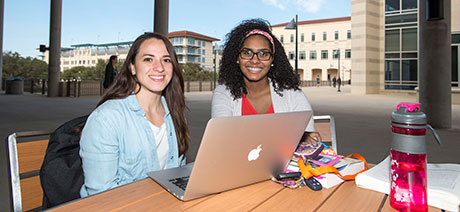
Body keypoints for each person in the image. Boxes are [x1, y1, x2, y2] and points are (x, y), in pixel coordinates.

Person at [79, 32, 190, 197]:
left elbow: (176, 174)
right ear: (132, 67)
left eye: (166, 60)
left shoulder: (174, 112)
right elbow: (102, 196)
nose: (159, 67)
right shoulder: (106, 119)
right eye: (148, 59)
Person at [211, 18, 320, 142]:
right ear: (237, 57)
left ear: (273, 60)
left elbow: (308, 136)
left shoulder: (292, 94)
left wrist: (306, 138)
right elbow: (222, 138)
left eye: (263, 54)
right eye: (247, 52)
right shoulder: (223, 93)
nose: (255, 60)